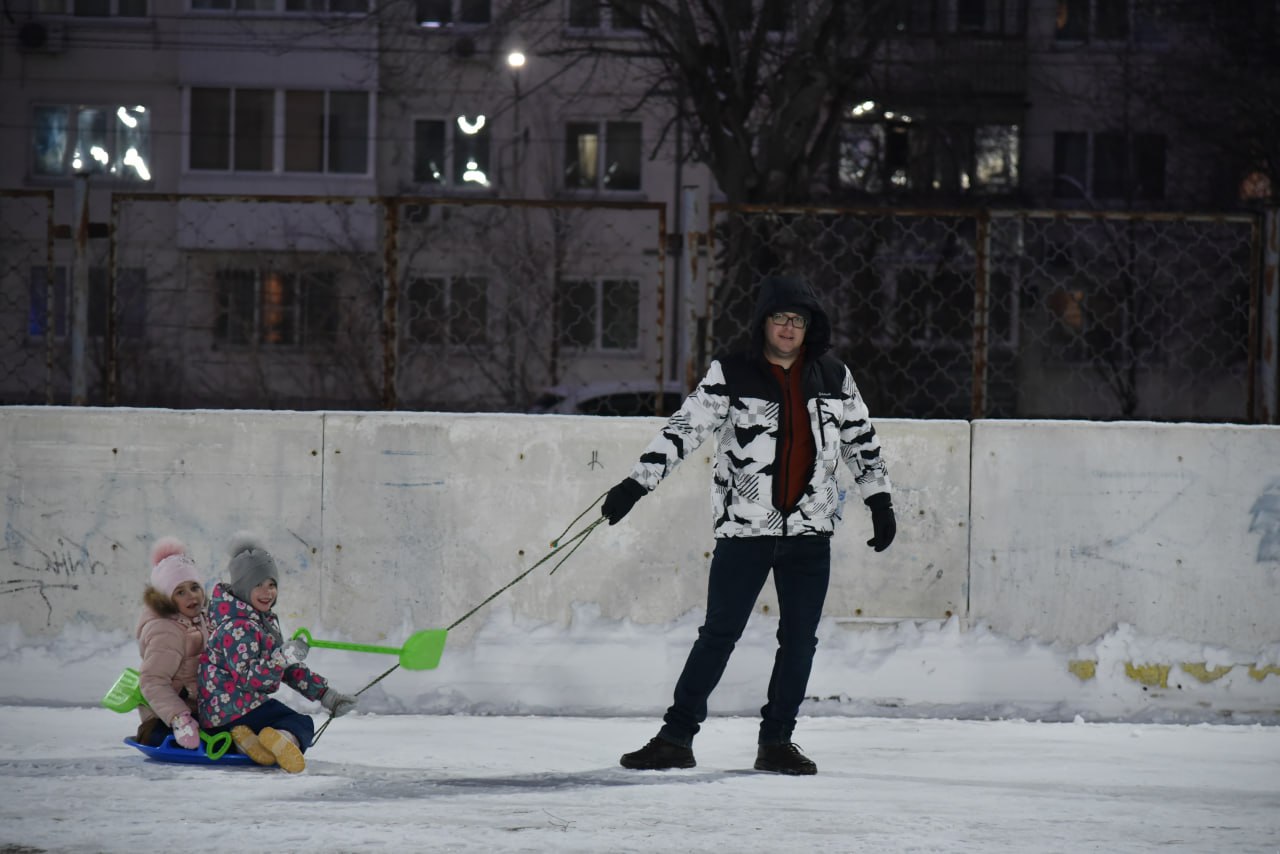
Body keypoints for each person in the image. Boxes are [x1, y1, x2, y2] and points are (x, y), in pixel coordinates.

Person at [602, 274, 896, 776]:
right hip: (745, 529)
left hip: (809, 532)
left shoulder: (832, 375)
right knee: (718, 634)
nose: (788, 328)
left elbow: (860, 440)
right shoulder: (731, 372)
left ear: (810, 327)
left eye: (798, 320)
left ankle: (777, 742)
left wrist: (880, 499)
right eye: (780, 318)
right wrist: (636, 484)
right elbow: (684, 428)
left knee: (800, 641)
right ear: (763, 322)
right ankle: (676, 737)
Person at [198, 533, 358, 773]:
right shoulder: (238, 626)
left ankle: (248, 743)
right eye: (258, 585)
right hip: (227, 713)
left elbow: (287, 669)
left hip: (230, 716)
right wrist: (282, 657)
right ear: (243, 587)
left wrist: (326, 695)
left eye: (271, 584)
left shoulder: (257, 620)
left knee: (276, 717)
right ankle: (283, 739)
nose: (267, 592)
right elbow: (249, 678)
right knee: (300, 722)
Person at [134, 536, 211, 750]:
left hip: (196, 712)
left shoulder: (201, 619)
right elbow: (152, 680)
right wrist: (180, 719)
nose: (191, 596)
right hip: (163, 719)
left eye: (194, 587)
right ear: (167, 598)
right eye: (180, 591)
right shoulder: (165, 630)